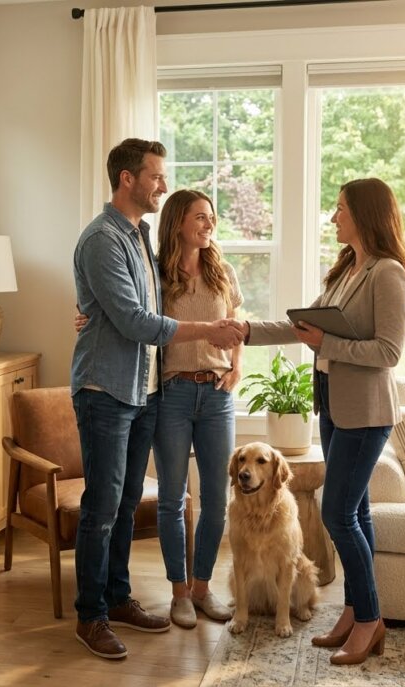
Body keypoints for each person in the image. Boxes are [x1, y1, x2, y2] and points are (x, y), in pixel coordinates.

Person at [70, 138, 244, 660]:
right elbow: (135, 320)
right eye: (155, 176)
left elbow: (126, 305)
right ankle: (90, 615)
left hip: (141, 391)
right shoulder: (103, 238)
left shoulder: (140, 238)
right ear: (127, 179)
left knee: (124, 505)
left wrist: (84, 310)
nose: (161, 185)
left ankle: (118, 598)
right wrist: (208, 330)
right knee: (101, 508)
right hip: (106, 390)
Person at [239, 178, 405, 666]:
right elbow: (305, 327)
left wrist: (327, 345)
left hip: (367, 413)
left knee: (338, 514)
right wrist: (247, 331)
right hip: (334, 407)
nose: (334, 217)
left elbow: (389, 351)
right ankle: (355, 614)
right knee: (355, 514)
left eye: (341, 210)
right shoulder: (345, 271)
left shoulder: (388, 274)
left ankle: (369, 620)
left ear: (365, 215)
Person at [153, 190, 241, 629]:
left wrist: (236, 369)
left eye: (212, 217)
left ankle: (203, 588)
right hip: (173, 394)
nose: (209, 225)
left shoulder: (221, 271)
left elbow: (237, 326)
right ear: (178, 223)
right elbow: (144, 326)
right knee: (172, 499)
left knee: (217, 500)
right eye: (201, 217)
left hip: (217, 396)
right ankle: (179, 593)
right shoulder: (156, 274)